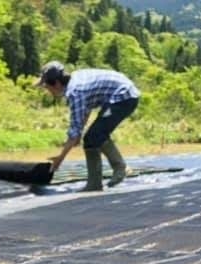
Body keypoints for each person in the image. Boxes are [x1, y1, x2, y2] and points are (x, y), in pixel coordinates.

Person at [36, 61, 140, 192]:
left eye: (47, 87)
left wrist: (60, 158)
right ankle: (95, 184)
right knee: (92, 138)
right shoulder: (74, 81)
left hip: (123, 96)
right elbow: (85, 112)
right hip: (116, 96)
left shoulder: (75, 92)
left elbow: (74, 131)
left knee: (95, 135)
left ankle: (120, 167)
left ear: (56, 83)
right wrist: (79, 133)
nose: (47, 90)